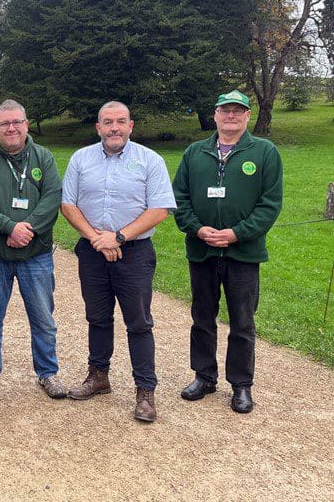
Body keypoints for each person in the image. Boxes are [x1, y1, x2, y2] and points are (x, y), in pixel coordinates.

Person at [60, 101, 175, 422]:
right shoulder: (81, 159)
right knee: (97, 317)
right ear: (98, 128)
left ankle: (145, 391)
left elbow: (161, 208)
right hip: (92, 251)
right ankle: (99, 376)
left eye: (120, 122)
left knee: (138, 322)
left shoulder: (149, 161)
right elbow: (68, 204)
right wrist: (98, 238)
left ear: (131, 126)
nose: (114, 128)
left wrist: (119, 237)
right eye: (107, 122)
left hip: (134, 253)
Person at [172, 90, 283, 414]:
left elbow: (270, 204)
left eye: (238, 111)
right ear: (216, 115)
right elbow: (179, 199)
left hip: (243, 254)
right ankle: (204, 377)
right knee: (202, 317)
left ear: (247, 116)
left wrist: (237, 233)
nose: (231, 116)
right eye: (225, 111)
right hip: (202, 251)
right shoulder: (195, 153)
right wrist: (198, 229)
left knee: (243, 322)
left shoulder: (264, 152)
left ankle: (241, 385)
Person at [0, 99, 64, 402]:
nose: (11, 128)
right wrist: (10, 228)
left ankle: (48, 372)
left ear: (26, 124)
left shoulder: (43, 158)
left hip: (36, 254)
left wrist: (26, 230)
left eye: (17, 122)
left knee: (43, 319)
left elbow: (52, 198)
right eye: (4, 123)